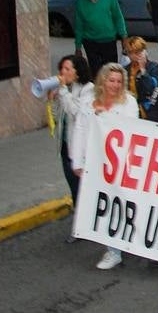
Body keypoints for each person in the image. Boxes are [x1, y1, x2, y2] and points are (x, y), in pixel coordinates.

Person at [68, 62, 140, 270]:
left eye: (119, 81)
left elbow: (130, 129)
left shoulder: (129, 103)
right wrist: (77, 161)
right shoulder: (88, 102)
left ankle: (123, 243)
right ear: (102, 81)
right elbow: (80, 130)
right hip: (95, 162)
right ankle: (113, 250)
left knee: (121, 203)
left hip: (120, 164)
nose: (115, 85)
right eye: (111, 80)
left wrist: (104, 115)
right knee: (103, 205)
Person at [51, 54, 92, 210]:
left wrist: (62, 91)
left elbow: (76, 112)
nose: (63, 72)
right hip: (65, 146)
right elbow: (56, 117)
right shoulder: (65, 90)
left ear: (77, 72)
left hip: (79, 149)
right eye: (62, 68)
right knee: (73, 186)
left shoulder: (88, 90)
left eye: (68, 69)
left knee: (82, 188)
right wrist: (53, 100)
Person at [73, 0, 126, 69]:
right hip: (90, 42)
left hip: (109, 41)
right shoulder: (80, 1)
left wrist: (124, 37)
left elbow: (118, 17)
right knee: (96, 71)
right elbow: (79, 26)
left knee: (111, 70)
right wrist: (78, 47)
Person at [124, 36, 158, 115]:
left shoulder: (153, 67)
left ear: (145, 51)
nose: (134, 56)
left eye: (137, 52)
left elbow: (152, 89)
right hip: (129, 107)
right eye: (130, 52)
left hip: (148, 108)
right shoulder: (125, 69)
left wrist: (143, 70)